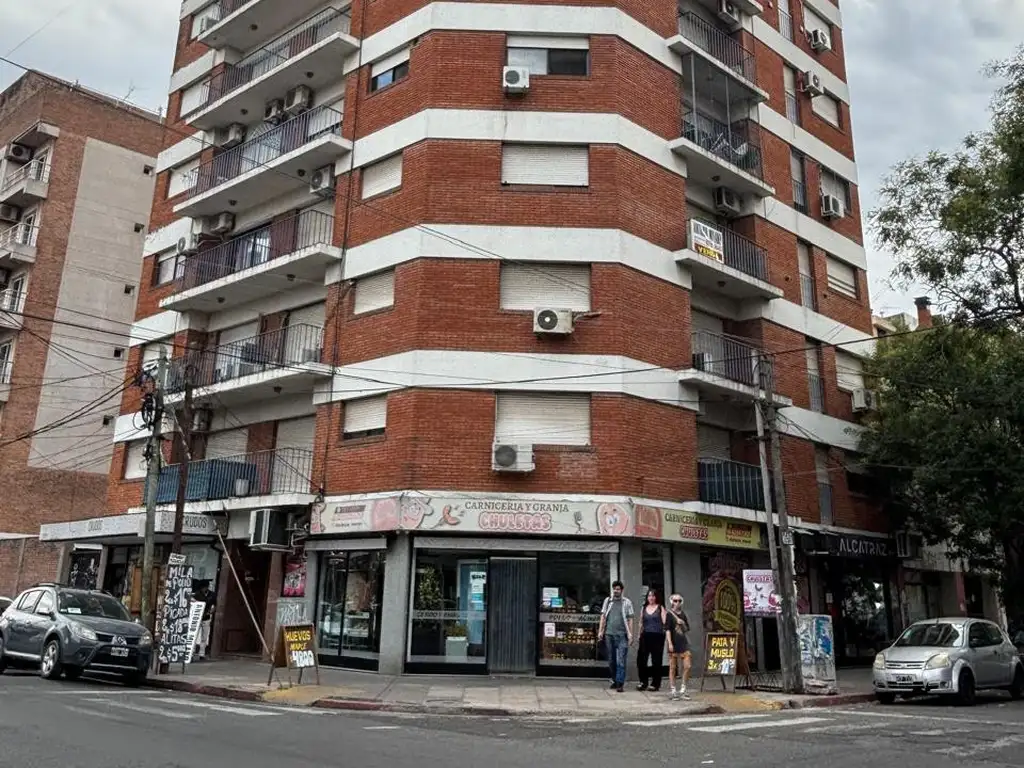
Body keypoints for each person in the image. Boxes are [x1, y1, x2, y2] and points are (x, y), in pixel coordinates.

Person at [597, 580, 634, 692]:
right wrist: (600, 631)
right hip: (609, 634)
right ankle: (614, 679)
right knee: (611, 660)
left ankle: (620, 683)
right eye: (614, 589)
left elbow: (630, 619)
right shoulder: (608, 601)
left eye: (618, 589)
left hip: (622, 635)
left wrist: (630, 634)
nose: (616, 591)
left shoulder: (627, 602)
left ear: (622, 590)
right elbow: (603, 616)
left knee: (621, 660)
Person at [636, 589, 668, 692]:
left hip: (657, 636)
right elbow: (641, 622)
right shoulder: (644, 608)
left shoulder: (660, 608)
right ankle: (643, 682)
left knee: (656, 661)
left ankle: (655, 684)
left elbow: (665, 622)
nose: (651, 598)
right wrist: (639, 635)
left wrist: (667, 634)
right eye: (649, 596)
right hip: (645, 635)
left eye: (653, 596)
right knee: (641, 660)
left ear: (656, 597)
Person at [665, 593, 692, 700]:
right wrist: (670, 643)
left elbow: (686, 629)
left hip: (683, 643)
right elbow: (667, 630)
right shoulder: (669, 614)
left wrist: (682, 623)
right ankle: (673, 690)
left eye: (679, 601)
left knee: (687, 666)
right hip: (674, 643)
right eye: (675, 601)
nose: (677, 603)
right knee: (673, 667)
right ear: (672, 602)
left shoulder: (683, 614)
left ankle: (683, 689)